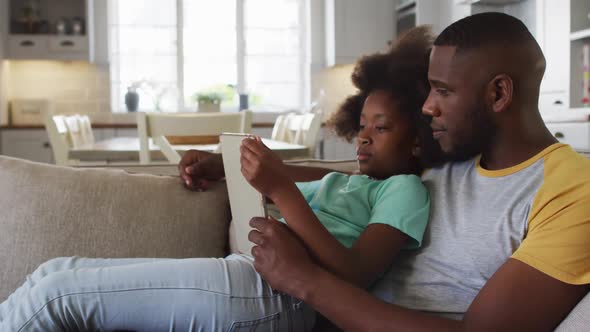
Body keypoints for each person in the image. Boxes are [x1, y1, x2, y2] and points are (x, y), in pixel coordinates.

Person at [0, 28, 443, 331]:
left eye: (380, 129)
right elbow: (294, 173)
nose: (363, 138)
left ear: (419, 141)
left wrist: (281, 191)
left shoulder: (404, 190)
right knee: (53, 272)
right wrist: (218, 166)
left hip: (275, 296)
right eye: (362, 125)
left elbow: (357, 274)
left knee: (57, 295)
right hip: (250, 278)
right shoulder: (350, 181)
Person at [242, 12, 590, 331]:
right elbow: (355, 179)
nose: (426, 106)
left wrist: (306, 281)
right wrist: (254, 171)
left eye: (443, 90)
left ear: (498, 93)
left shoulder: (574, 190)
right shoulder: (454, 156)